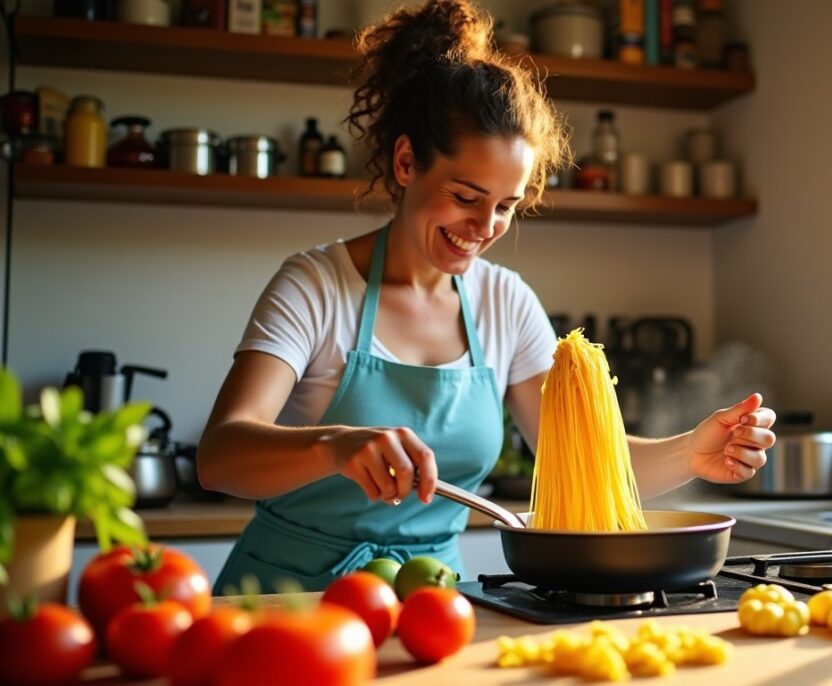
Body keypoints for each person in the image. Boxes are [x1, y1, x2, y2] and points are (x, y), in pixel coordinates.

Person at [198, 0, 777, 593]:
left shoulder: (506, 302)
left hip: (433, 602)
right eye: (466, 196)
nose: (486, 226)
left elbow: (587, 457)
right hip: (284, 600)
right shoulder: (316, 286)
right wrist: (335, 445)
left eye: (506, 205)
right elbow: (220, 456)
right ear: (405, 162)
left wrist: (690, 452)